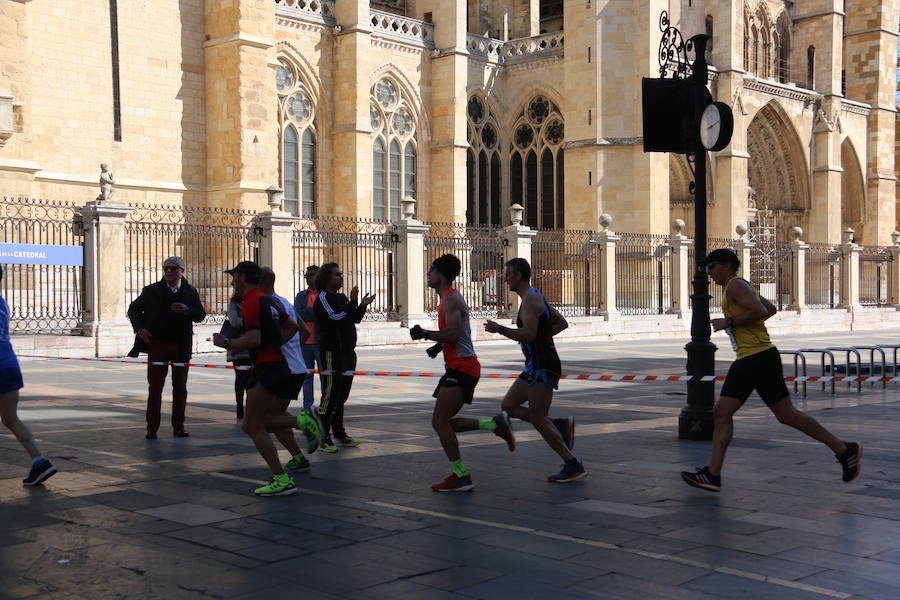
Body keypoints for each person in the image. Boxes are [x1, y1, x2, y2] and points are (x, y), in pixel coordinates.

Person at [681, 248, 861, 492]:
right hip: (752, 358)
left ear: (726, 265)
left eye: (711, 267)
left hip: (757, 358)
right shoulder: (741, 285)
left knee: (783, 415)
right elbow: (770, 309)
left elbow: (760, 311)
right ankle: (713, 475)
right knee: (726, 412)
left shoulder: (735, 286)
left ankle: (844, 449)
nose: (709, 273)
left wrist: (729, 322)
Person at [212, 261, 323, 497]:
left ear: (244, 278)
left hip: (268, 368)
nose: (232, 282)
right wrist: (274, 343)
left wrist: (227, 343)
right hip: (276, 365)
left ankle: (284, 472)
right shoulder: (270, 301)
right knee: (260, 423)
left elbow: (252, 338)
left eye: (235, 277)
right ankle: (299, 434)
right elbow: (294, 327)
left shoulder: (252, 301)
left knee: (253, 425)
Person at [410, 254, 515, 492]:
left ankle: (461, 475)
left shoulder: (450, 299)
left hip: (463, 366)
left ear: (441, 273)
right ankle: (494, 424)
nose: (428, 274)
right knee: (444, 422)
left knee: (439, 421)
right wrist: (438, 346)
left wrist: (426, 333)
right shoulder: (448, 299)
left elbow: (455, 334)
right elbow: (458, 334)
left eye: (431, 269)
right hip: (458, 365)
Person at [485, 258, 586, 483]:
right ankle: (559, 425)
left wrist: (500, 329)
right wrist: (542, 337)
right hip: (535, 364)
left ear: (518, 276)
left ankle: (572, 463)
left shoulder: (530, 299)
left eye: (508, 275)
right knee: (508, 406)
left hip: (543, 365)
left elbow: (530, 334)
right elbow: (560, 323)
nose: (505, 279)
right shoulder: (534, 296)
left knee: (539, 419)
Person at [127, 256, 206, 439]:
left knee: (180, 387)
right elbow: (133, 309)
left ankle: (178, 426)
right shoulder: (151, 290)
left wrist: (187, 309)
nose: (168, 272)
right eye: (166, 269)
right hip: (158, 343)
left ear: (182, 271)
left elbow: (200, 315)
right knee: (155, 387)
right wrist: (140, 329)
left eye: (173, 268)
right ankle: (151, 427)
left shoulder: (190, 291)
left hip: (181, 345)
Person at [0, 266, 58, 486]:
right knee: (10, 419)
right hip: (9, 365)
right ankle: (40, 461)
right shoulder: (2, 303)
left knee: (10, 419)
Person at [314, 262, 375, 452]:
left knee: (341, 395)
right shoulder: (324, 298)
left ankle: (339, 433)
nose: (341, 277)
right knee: (330, 394)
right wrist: (351, 304)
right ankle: (323, 437)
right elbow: (336, 318)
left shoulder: (340, 298)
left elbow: (353, 318)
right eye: (337, 275)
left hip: (348, 353)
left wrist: (360, 305)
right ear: (327, 279)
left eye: (341, 274)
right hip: (332, 353)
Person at [259, 267, 313, 474]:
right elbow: (305, 331)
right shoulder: (285, 302)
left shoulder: (268, 304)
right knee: (275, 415)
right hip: (295, 367)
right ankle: (298, 458)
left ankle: (305, 421)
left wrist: (279, 351)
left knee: (261, 422)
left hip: (284, 369)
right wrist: (294, 352)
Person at [294, 265, 323, 412]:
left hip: (320, 342)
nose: (308, 279)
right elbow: (298, 314)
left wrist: (310, 313)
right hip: (305, 342)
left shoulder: (324, 295)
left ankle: (325, 406)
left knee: (325, 376)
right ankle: (307, 407)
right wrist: (314, 312)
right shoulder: (301, 296)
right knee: (307, 377)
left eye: (311, 275)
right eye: (306, 276)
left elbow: (323, 315)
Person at [224, 292, 251, 419]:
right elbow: (235, 322)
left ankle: (250, 406)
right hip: (237, 347)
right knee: (240, 378)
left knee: (251, 379)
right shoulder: (233, 305)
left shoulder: (253, 303)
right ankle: (239, 406)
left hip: (251, 346)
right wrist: (252, 322)